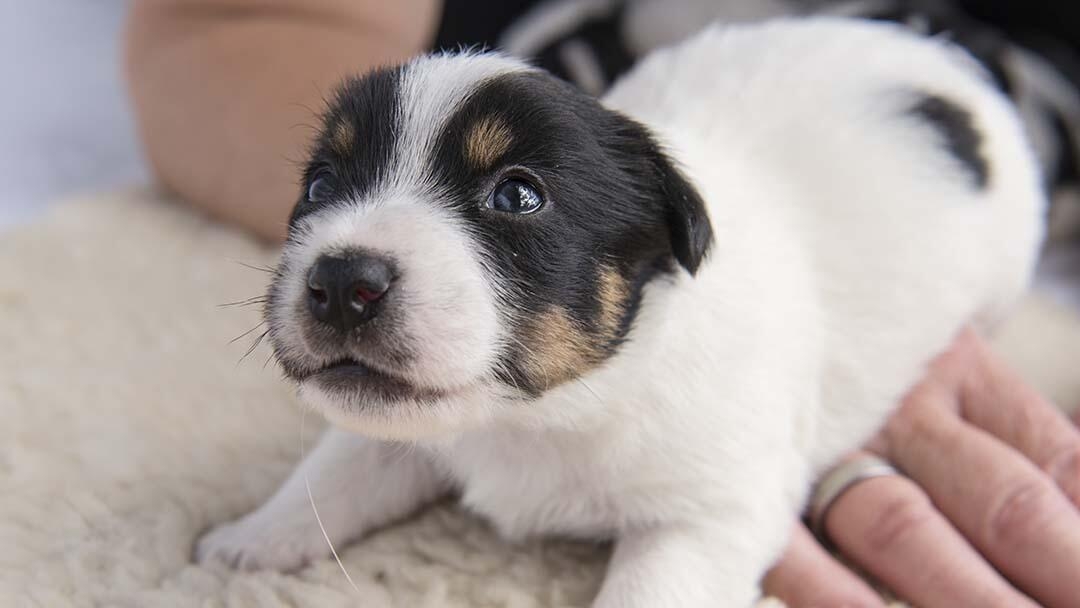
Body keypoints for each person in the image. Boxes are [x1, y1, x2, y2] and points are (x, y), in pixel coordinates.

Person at [126, 1, 1080, 606]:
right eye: (332, 182)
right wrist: (270, 536)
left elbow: (715, 515)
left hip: (950, 137)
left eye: (512, 198)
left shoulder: (718, 371)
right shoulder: (454, 353)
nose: (343, 264)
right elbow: (389, 440)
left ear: (658, 261)